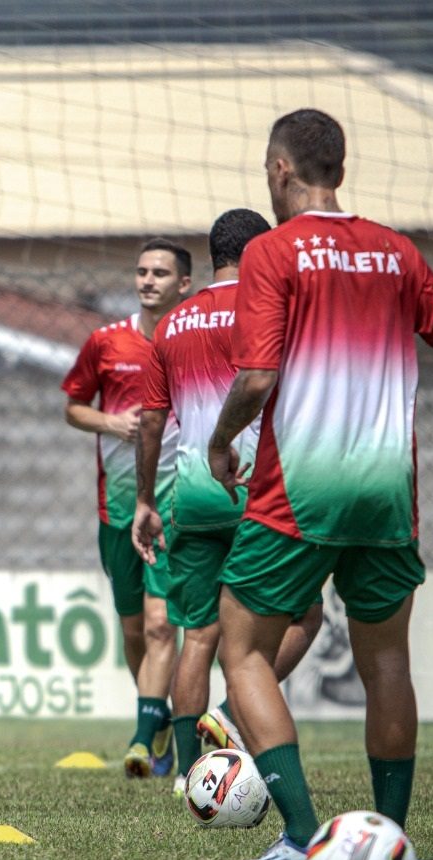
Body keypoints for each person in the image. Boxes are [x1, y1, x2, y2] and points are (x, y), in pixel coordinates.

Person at [207, 109, 433, 860]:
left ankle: (302, 832)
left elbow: (259, 377)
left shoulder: (272, 251)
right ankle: (391, 838)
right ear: (340, 166)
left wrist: (220, 437)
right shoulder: (398, 251)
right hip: (386, 492)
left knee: (243, 653)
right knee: (387, 662)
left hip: (299, 490)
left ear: (279, 169)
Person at [133, 210, 323, 799]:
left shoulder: (171, 324)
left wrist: (146, 499)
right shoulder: (271, 304)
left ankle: (192, 776)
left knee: (201, 634)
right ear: (263, 247)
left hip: (191, 493)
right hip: (259, 488)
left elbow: (151, 422)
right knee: (305, 615)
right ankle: (230, 714)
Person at [62, 238, 190, 778]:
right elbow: (73, 408)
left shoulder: (196, 340)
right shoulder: (105, 341)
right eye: (141, 271)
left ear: (185, 283)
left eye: (160, 272)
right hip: (116, 507)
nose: (148, 280)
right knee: (135, 630)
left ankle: (141, 739)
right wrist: (112, 423)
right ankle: (156, 716)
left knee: (163, 626)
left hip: (177, 504)